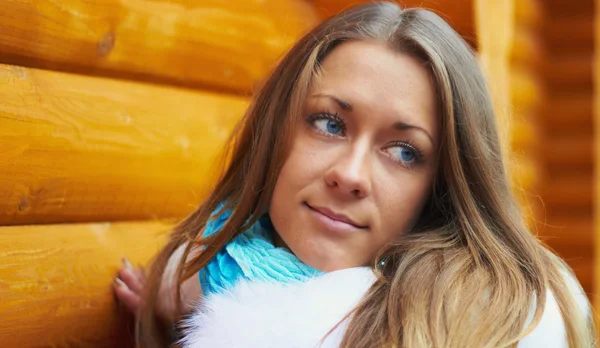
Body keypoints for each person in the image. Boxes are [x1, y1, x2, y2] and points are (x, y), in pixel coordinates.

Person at [114, 2, 595, 347]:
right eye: (329, 123)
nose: (350, 175)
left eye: (405, 152)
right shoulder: (214, 261)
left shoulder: (476, 322)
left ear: (444, 188)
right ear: (275, 132)